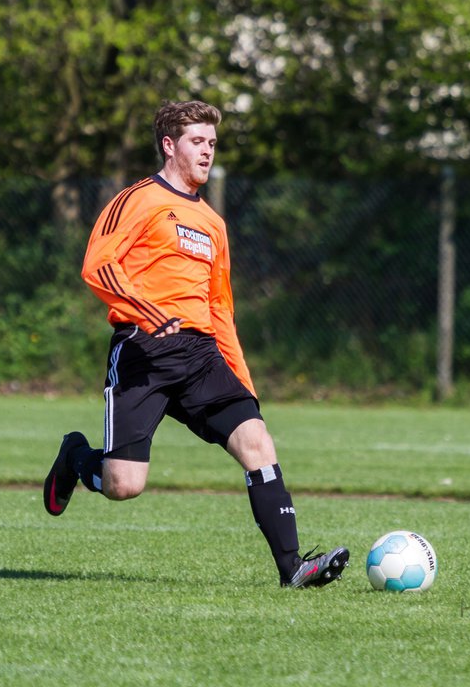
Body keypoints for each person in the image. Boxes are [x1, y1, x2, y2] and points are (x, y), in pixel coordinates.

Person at [43, 100, 349, 588]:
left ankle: (293, 567)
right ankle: (77, 457)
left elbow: (220, 308)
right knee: (125, 485)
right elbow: (97, 265)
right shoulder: (137, 200)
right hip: (143, 350)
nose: (207, 151)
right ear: (169, 145)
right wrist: (147, 312)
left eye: (212, 143)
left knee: (257, 442)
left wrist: (244, 384)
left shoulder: (213, 223)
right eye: (197, 141)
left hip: (201, 355)